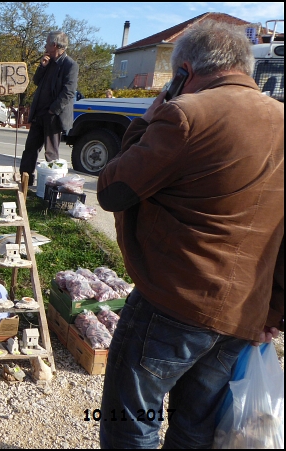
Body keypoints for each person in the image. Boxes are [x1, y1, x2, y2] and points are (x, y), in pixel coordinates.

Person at [96, 20, 283, 448]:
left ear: (185, 71)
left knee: (132, 420)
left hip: (174, 303)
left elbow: (113, 190)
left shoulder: (186, 114)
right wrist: (274, 311)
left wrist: (149, 116)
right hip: (242, 314)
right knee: (195, 425)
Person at [18, 31, 79, 185]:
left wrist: (53, 110)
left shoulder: (70, 65)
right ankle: (25, 182)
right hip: (39, 114)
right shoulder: (48, 62)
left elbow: (69, 92)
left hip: (53, 116)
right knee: (30, 149)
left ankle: (49, 187)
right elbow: (36, 81)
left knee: (51, 153)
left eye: (46, 43)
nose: (44, 46)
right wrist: (42, 67)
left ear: (54, 45)